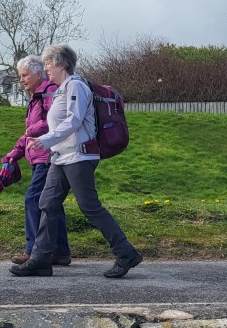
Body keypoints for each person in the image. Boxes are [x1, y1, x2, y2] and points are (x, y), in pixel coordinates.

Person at [10, 44, 142, 278]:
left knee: (90, 207)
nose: (46, 68)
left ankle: (126, 253)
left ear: (61, 64)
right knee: (47, 203)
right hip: (61, 157)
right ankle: (40, 260)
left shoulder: (76, 86)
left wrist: (45, 140)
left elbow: (73, 120)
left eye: (48, 63)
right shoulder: (62, 89)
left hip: (80, 156)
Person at [1, 55, 71, 267]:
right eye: (20, 76)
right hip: (41, 156)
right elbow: (29, 134)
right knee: (52, 204)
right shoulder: (36, 97)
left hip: (47, 156)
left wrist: (30, 131)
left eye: (24, 75)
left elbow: (53, 122)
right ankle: (60, 251)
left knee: (33, 199)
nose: (21, 79)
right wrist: (14, 153)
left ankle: (33, 251)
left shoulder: (49, 92)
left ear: (39, 73)